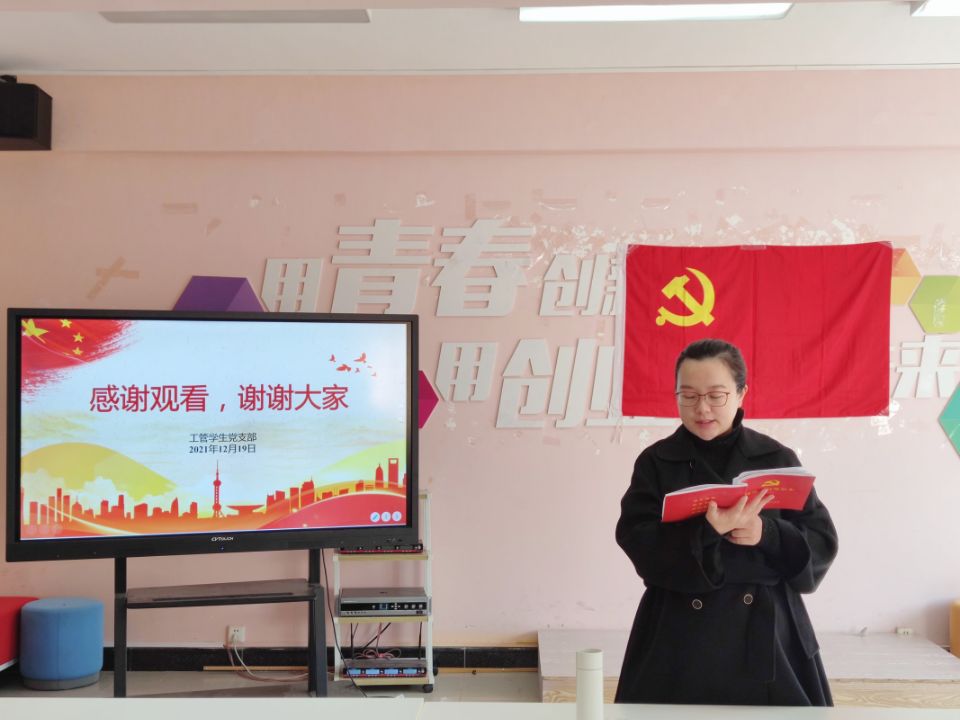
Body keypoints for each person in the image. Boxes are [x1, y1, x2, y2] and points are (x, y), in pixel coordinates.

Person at [614, 338, 838, 706]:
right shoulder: (656, 462)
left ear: (741, 393)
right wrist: (706, 531)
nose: (701, 408)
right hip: (679, 632)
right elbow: (637, 539)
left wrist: (766, 533)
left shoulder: (776, 458)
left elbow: (821, 540)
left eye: (715, 396)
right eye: (688, 396)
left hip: (767, 635)